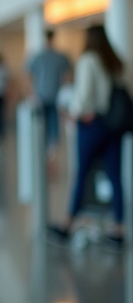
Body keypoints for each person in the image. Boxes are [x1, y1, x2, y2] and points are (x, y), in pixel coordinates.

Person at [47, 24, 125, 251]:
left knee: (81, 173)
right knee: (114, 176)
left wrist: (72, 113)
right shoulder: (116, 62)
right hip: (113, 125)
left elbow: (83, 96)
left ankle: (68, 223)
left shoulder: (88, 60)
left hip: (91, 124)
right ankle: (118, 228)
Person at [26, 30, 72, 158]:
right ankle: (47, 151)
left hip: (53, 96)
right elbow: (30, 76)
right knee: (45, 125)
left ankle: (51, 153)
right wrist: (32, 93)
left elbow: (67, 76)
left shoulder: (58, 57)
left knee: (53, 125)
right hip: (43, 97)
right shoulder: (39, 57)